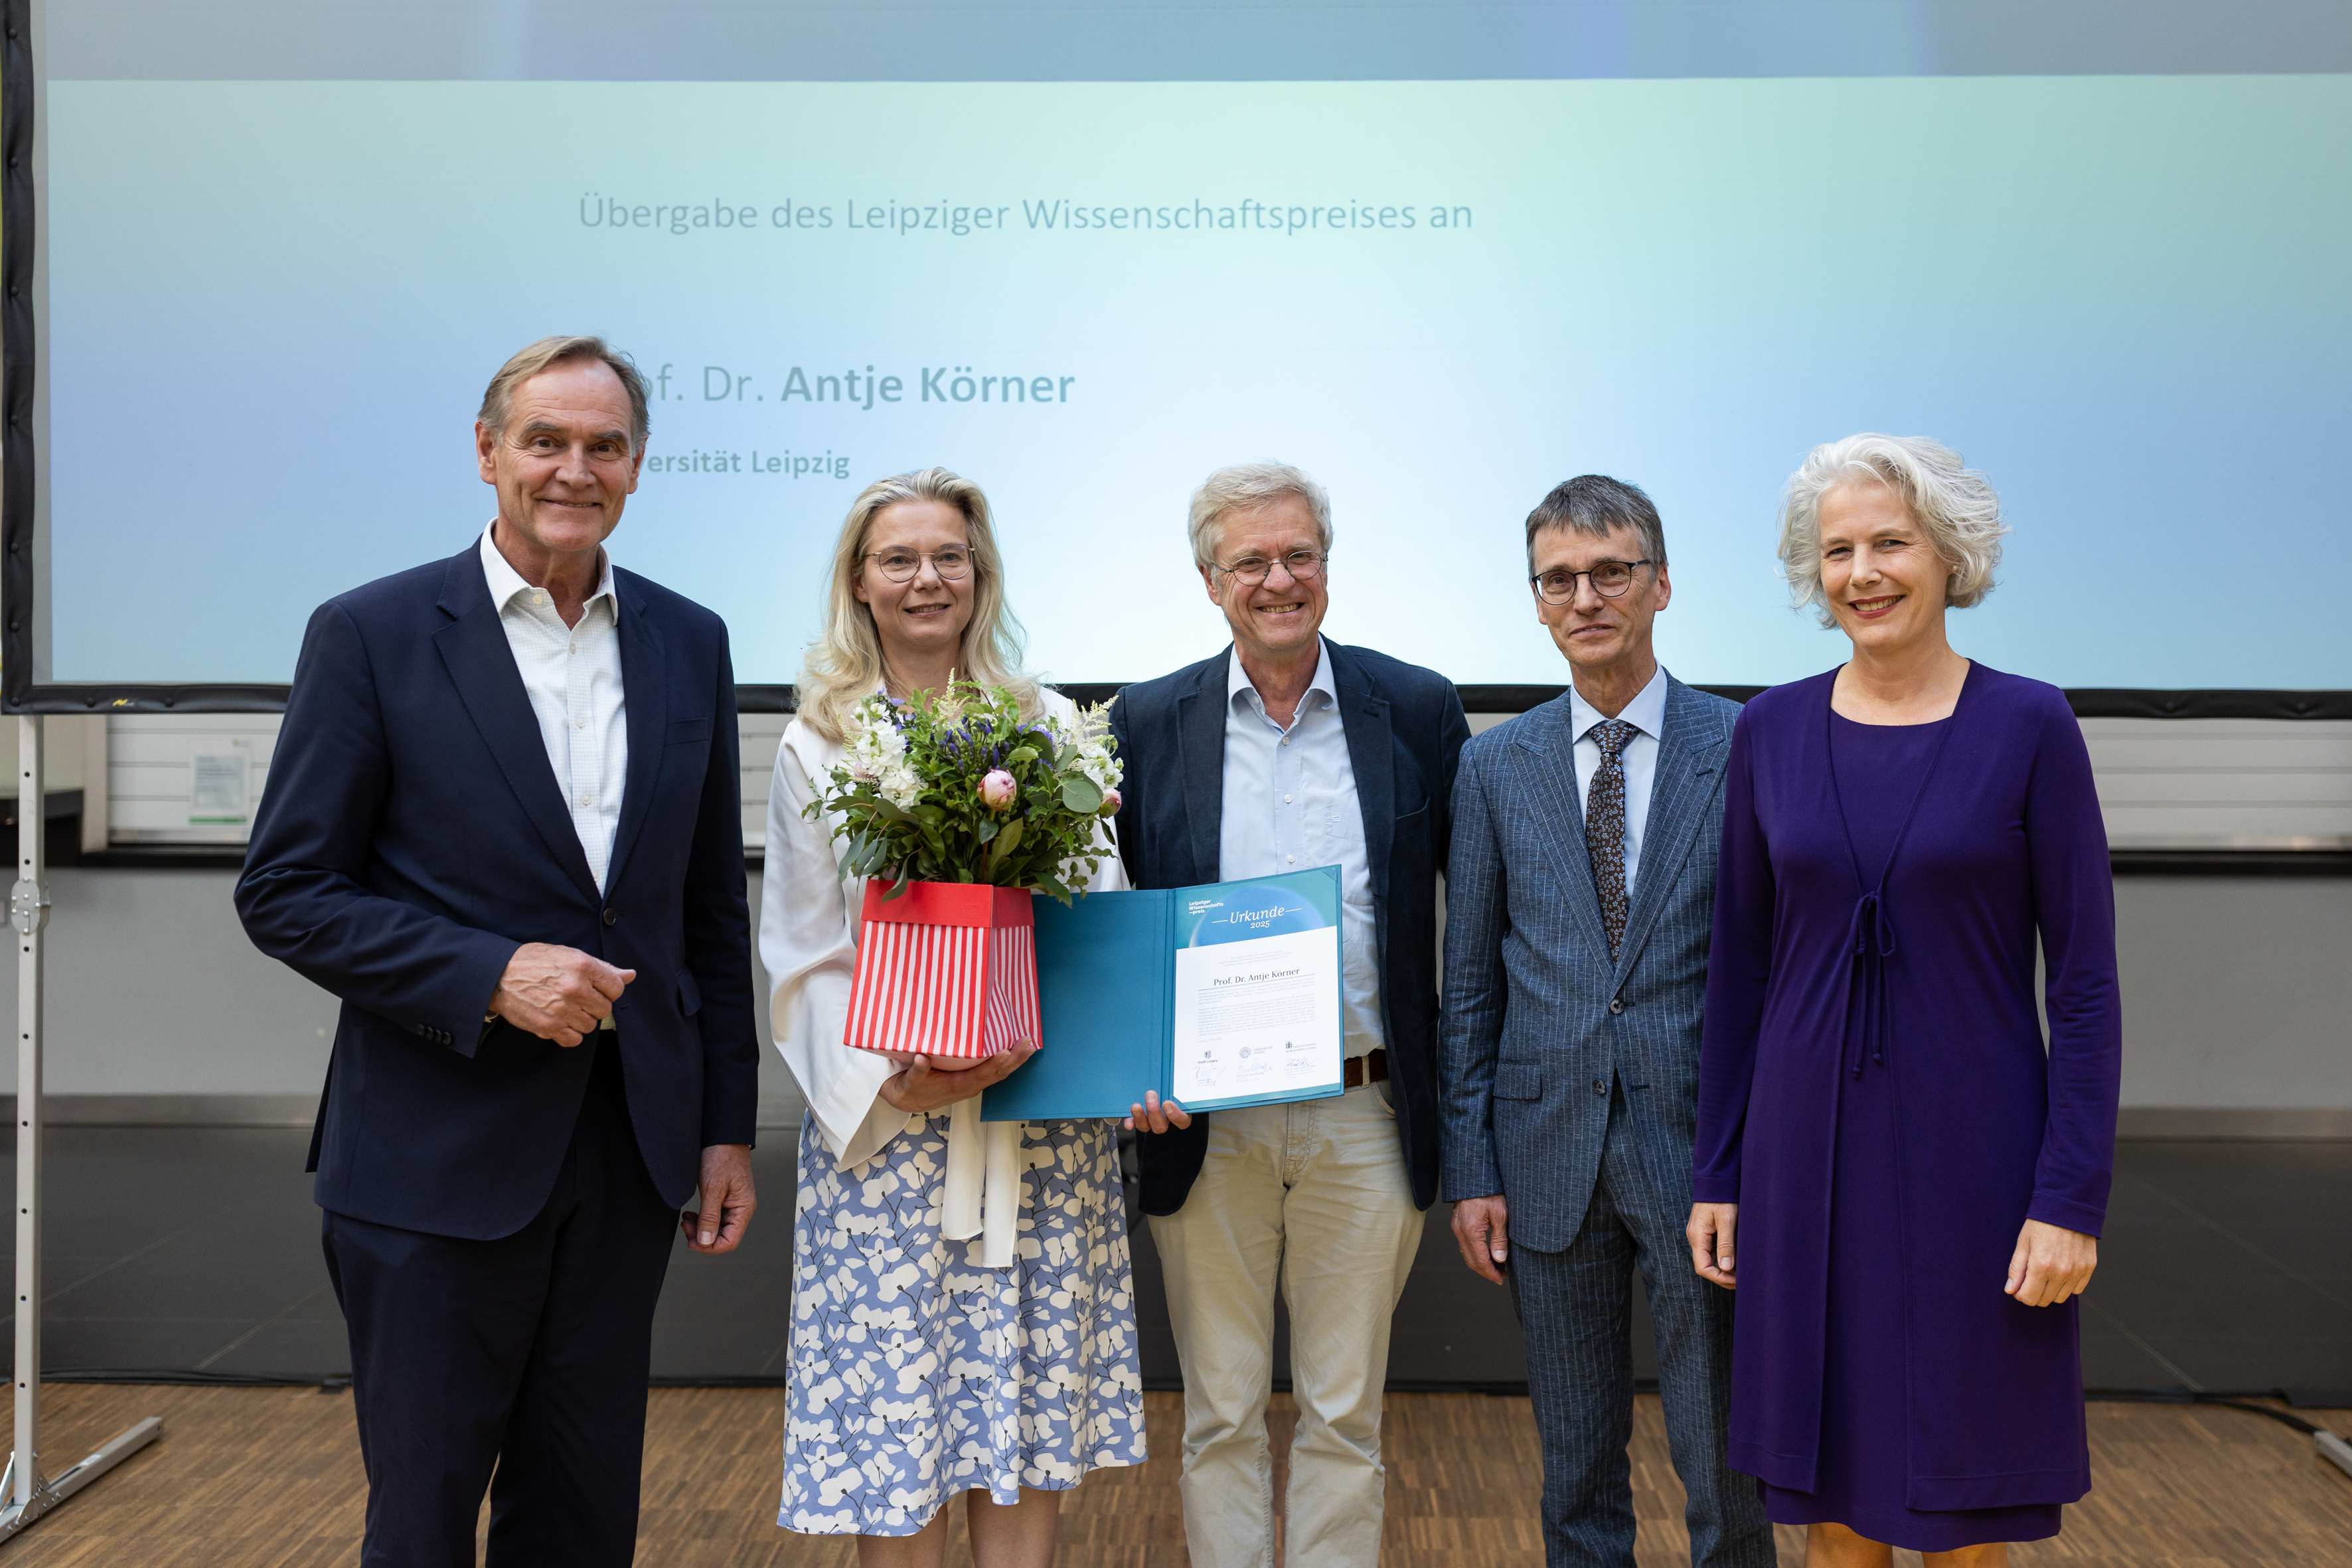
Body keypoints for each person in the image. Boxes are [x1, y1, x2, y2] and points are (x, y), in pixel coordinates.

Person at [236, 335, 759, 1564]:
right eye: (546, 440)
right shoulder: (369, 633)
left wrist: (724, 1121)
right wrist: (487, 974)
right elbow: (287, 889)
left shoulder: (691, 640)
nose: (574, 468)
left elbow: (705, 913)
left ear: (637, 466)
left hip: (628, 1152)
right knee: (420, 1521)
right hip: (432, 1159)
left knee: (582, 1518)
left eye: (604, 445)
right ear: (488, 453)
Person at [1688, 434, 2120, 1566]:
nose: (1863, 571)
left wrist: (2071, 1197)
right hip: (1800, 1158)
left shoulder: (2032, 725)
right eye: (1838, 550)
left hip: (1978, 1159)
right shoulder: (1769, 731)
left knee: (1967, 1488)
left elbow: (2083, 988)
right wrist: (1719, 1171)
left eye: (1891, 541)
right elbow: (1739, 972)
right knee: (1827, 1489)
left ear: (1950, 556)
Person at [761, 467, 1146, 1565]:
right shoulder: (816, 741)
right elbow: (801, 947)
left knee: (1018, 1425)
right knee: (902, 1430)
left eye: (949, 556)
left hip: (1032, 1123)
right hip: (889, 1137)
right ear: (860, 583)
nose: (927, 577)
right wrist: (897, 1073)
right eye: (899, 558)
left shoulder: (1047, 727)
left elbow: (1096, 912)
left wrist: (1068, 1052)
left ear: (981, 577)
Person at [1114, 461, 1468, 1568]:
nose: (1280, 579)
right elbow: (1113, 923)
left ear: (1327, 565)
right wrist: (1132, 1063)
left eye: (1299, 555)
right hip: (1203, 1123)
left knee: (1345, 1413)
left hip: (1363, 1110)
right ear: (1211, 581)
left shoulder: (1416, 706)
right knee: (1218, 1413)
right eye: (1251, 561)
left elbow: (1477, 899)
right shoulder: (1142, 718)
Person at [1438, 476, 1774, 1568]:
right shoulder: (1495, 763)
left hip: (1701, 1151)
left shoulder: (1750, 745)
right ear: (1538, 600)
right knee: (1576, 1465)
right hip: (1546, 1155)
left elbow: (1773, 971)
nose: (1586, 597)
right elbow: (1474, 982)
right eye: (1559, 579)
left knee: (1725, 1458)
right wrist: (1473, 1163)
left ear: (1661, 583)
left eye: (1611, 571)